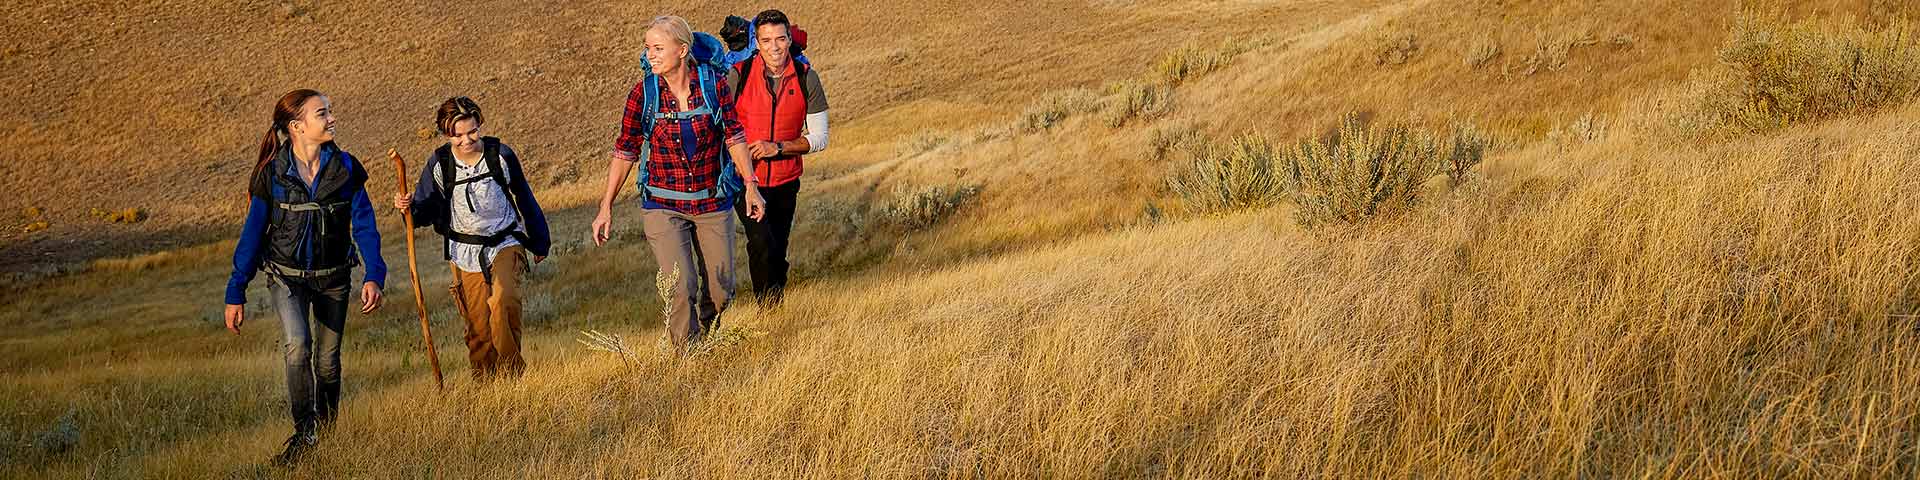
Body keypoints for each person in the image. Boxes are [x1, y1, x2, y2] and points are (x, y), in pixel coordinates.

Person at [222, 88, 385, 466]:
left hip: (334, 278)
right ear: (297, 126)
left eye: (329, 111)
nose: (331, 119)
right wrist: (236, 290)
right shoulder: (271, 174)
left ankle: (326, 435)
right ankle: (305, 434)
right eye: (322, 113)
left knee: (328, 362)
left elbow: (364, 224)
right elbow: (252, 234)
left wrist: (373, 274)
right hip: (286, 278)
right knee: (298, 347)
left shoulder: (346, 168)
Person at [592, 15, 766, 351]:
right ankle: (686, 358)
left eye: (658, 48)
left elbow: (734, 136)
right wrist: (605, 207)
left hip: (711, 201)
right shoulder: (643, 94)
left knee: (721, 288)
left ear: (682, 50)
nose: (650, 55)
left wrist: (751, 185)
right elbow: (625, 150)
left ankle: (707, 327)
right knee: (680, 285)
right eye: (647, 48)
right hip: (662, 203)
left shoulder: (714, 87)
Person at [393, 96, 551, 380]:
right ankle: (486, 386)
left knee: (503, 304)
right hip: (465, 250)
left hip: (505, 240)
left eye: (472, 132)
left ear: (480, 125)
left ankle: (513, 378)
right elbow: (425, 209)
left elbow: (524, 196)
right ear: (446, 134)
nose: (467, 140)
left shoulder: (500, 155)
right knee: (478, 327)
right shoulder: (440, 163)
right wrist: (409, 209)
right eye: (458, 135)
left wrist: (539, 240)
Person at [728, 9, 830, 307]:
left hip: (786, 180)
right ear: (756, 43)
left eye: (780, 39)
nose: (774, 47)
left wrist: (778, 148)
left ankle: (775, 297)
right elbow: (723, 126)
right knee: (760, 242)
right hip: (746, 180)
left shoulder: (806, 77)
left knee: (777, 248)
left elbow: (820, 138)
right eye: (766, 40)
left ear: (788, 40)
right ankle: (767, 310)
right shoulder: (739, 75)